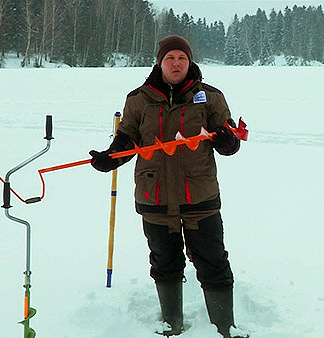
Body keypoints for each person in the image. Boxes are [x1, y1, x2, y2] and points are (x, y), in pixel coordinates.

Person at [89, 35, 246, 338]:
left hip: (199, 197)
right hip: (155, 197)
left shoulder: (210, 96)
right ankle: (171, 325)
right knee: (164, 262)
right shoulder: (139, 99)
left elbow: (228, 137)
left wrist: (229, 142)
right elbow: (127, 139)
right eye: (170, 58)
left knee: (213, 262)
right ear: (160, 62)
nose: (176, 64)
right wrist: (110, 158)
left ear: (190, 62)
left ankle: (224, 328)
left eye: (182, 58)